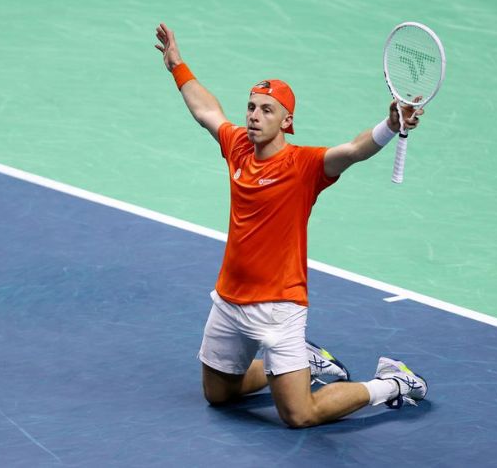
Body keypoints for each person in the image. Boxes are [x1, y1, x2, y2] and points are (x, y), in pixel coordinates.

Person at [154, 22, 428, 428]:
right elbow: (206, 110)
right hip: (230, 299)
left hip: (280, 306)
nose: (254, 116)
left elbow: (353, 150)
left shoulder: (304, 166)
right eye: (251, 106)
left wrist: (390, 125)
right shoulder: (237, 147)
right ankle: (309, 361)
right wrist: (177, 66)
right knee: (218, 394)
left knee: (300, 415)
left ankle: (394, 383)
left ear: (286, 121)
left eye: (266, 110)